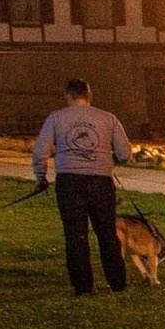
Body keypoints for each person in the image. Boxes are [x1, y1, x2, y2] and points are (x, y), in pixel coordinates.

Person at [32, 79, 134, 295]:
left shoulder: (56, 118)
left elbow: (41, 150)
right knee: (107, 233)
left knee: (76, 235)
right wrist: (107, 159)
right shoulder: (109, 118)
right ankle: (117, 283)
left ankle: (83, 286)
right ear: (89, 95)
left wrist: (41, 177)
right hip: (101, 182)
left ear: (68, 96)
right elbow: (125, 153)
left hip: (69, 181)